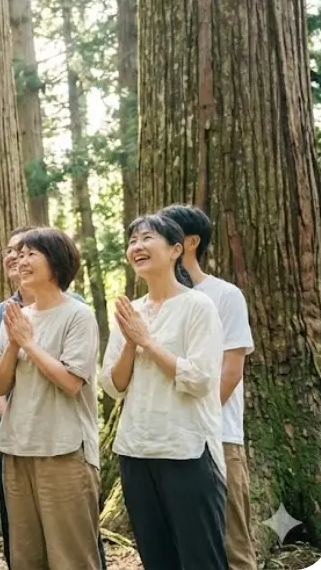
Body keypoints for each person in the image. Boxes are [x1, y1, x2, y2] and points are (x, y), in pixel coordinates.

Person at [100, 214, 226, 570]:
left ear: (175, 250)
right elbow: (113, 385)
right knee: (156, 557)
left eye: (146, 238)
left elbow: (201, 379)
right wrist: (129, 342)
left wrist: (146, 342)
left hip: (186, 450)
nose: (136, 247)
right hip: (135, 450)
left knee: (200, 556)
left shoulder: (197, 306)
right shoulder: (130, 310)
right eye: (132, 241)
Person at [0, 228, 102, 569]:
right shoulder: (16, 318)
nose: (21, 261)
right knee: (25, 558)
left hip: (64, 451)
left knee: (71, 558)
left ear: (56, 263)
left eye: (30, 254)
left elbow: (71, 382)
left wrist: (29, 344)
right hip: (16, 449)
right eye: (19, 255)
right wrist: (14, 341)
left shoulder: (77, 315)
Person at [160, 203, 256, 570]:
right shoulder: (154, 302)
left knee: (231, 542)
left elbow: (231, 370)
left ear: (189, 242)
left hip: (218, 436)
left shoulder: (224, 295)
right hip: (167, 442)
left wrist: (203, 420)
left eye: (163, 232)